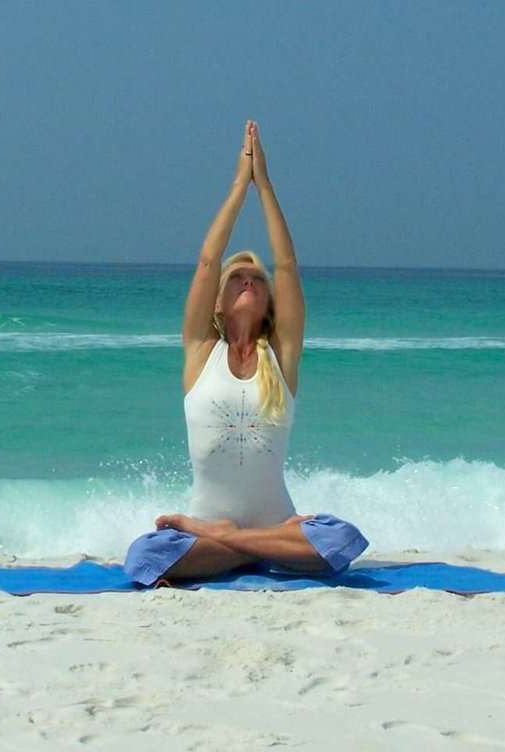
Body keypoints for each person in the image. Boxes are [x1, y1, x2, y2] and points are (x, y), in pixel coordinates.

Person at [124, 121, 368, 586]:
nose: (248, 280)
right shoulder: (201, 353)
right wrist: (240, 185)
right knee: (144, 557)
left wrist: (267, 185)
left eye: (256, 278)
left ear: (271, 301)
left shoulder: (282, 356)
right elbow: (206, 261)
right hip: (267, 541)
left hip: (263, 527)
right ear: (217, 300)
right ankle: (249, 545)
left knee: (342, 541)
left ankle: (230, 544)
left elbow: (288, 264)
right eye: (237, 277)